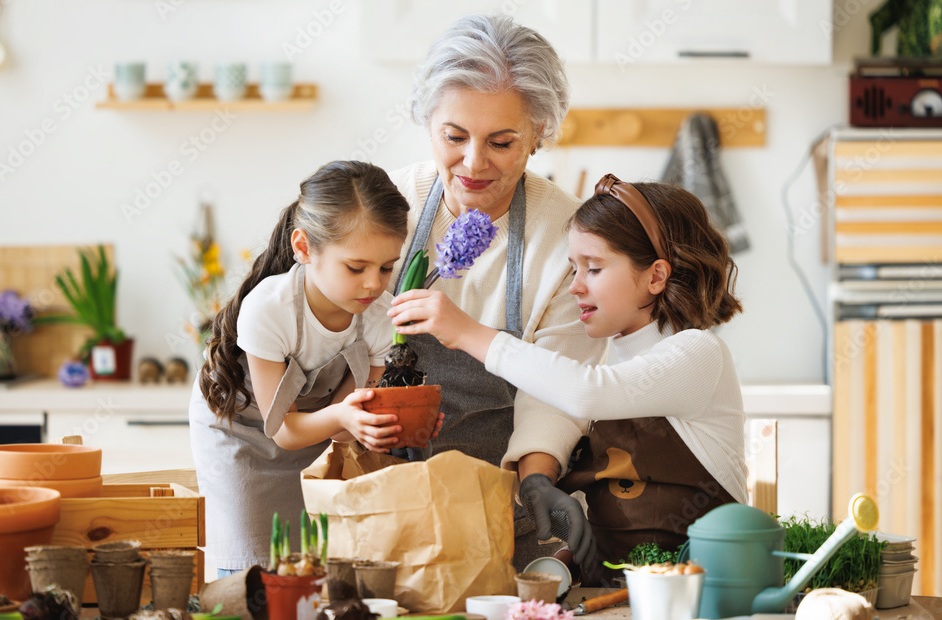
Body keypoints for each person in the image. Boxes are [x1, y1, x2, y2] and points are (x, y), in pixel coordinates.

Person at [389, 174, 749, 585]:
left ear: (655, 277)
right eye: (573, 268)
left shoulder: (699, 354)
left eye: (593, 268)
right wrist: (565, 537)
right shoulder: (618, 365)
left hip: (703, 595)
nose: (575, 286)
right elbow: (570, 406)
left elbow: (586, 392)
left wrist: (469, 333)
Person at [389, 13, 607, 568]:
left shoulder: (567, 234)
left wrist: (538, 479)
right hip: (387, 499)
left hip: (504, 503)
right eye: (454, 137)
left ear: (539, 135)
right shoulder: (388, 208)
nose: (473, 163)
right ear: (428, 123)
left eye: (502, 142)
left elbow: (555, 379)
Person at [189, 161, 423, 577]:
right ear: (304, 248)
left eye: (387, 267)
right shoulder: (270, 309)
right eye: (356, 267)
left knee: (315, 567)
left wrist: (393, 421)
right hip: (241, 428)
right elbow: (282, 429)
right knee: (254, 569)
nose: (374, 284)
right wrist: (347, 415)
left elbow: (338, 424)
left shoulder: (379, 316)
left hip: (314, 429)